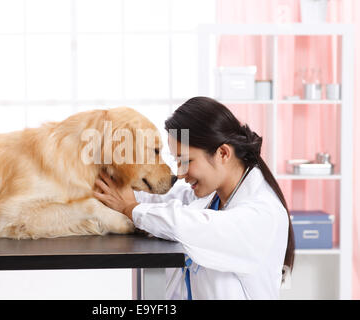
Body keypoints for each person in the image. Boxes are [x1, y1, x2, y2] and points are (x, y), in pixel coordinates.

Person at [94, 96, 294, 300]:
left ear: (223, 153)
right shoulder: (214, 196)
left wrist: (131, 207)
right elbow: (169, 202)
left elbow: (193, 226)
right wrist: (119, 189)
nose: (180, 174)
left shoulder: (262, 213)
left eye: (186, 160)